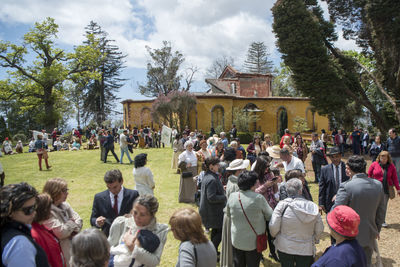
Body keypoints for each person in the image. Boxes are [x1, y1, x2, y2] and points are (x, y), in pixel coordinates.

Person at [333, 155, 385, 266]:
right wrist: (376, 230)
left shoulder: (346, 186)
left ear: (349, 169)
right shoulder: (378, 185)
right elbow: (381, 213)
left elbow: (336, 211)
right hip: (369, 234)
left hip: (348, 236)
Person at [269, 178, 324, 267]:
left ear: (287, 191)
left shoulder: (281, 205)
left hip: (285, 247)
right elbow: (319, 229)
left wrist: (277, 236)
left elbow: (273, 227)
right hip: (306, 248)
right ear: (300, 191)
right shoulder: (312, 206)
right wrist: (314, 239)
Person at [226, 171, 273, 267]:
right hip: (254, 242)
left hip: (237, 239)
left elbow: (228, 214)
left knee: (238, 264)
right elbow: (269, 215)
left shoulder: (233, 196)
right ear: (252, 185)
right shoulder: (258, 198)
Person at [108, 195, 169, 267]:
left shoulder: (160, 231)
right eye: (135, 212)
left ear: (152, 215)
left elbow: (154, 261)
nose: (137, 217)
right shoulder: (121, 223)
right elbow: (107, 250)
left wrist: (132, 247)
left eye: (142, 215)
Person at [1, 182, 50, 267]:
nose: (34, 213)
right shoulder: (19, 243)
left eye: (35, 207)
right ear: (10, 212)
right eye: (28, 210)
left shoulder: (5, 230)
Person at [42, 178, 83, 266]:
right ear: (54, 192)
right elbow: (61, 232)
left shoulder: (65, 205)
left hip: (73, 250)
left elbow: (79, 220)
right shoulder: (46, 211)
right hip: (60, 256)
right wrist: (71, 223)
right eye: (64, 191)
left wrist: (70, 227)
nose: (67, 193)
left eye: (67, 190)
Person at [90, 169, 139, 237]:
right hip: (108, 238)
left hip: (128, 236)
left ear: (121, 181)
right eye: (109, 188)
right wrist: (97, 222)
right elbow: (93, 219)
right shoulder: (99, 198)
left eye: (115, 187)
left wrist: (131, 217)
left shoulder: (133, 195)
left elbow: (139, 215)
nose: (112, 191)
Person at [220, 159, 249, 267]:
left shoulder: (232, 180)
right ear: (239, 171)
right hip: (233, 216)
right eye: (244, 169)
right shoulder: (237, 184)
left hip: (230, 215)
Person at [199, 157, 226, 257]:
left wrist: (221, 189)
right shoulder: (211, 179)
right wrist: (224, 196)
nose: (219, 166)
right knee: (219, 232)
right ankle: (212, 253)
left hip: (210, 210)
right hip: (212, 212)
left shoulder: (210, 176)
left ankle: (212, 251)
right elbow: (211, 197)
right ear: (211, 167)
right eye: (217, 164)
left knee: (216, 231)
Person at [31, 193, 66, 267]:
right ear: (44, 210)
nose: (51, 211)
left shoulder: (43, 228)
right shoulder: (35, 234)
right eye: (50, 208)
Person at [367, 151, 400, 227]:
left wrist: (398, 189)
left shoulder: (391, 166)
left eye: (385, 158)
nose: (383, 160)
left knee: (383, 206)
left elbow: (395, 178)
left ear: (388, 159)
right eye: (382, 158)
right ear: (379, 157)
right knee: (375, 205)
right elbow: (369, 175)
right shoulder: (374, 165)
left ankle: (382, 221)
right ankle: (373, 220)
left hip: (386, 188)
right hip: (375, 188)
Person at [319, 147, 350, 214]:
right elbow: (322, 187)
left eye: (337, 156)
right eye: (332, 157)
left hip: (345, 201)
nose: (335, 159)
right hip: (330, 202)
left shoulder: (347, 168)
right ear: (330, 158)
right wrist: (321, 203)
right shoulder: (325, 169)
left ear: (340, 156)